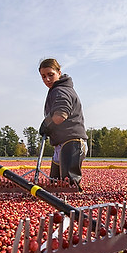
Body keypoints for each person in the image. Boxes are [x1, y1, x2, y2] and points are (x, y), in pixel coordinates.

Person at [38, 58, 88, 189]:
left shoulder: (61, 90)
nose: (47, 79)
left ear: (59, 73)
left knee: (69, 187)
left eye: (50, 74)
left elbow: (61, 115)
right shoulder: (58, 89)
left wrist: (47, 123)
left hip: (72, 144)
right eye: (43, 76)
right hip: (62, 145)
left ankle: (73, 209)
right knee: (55, 186)